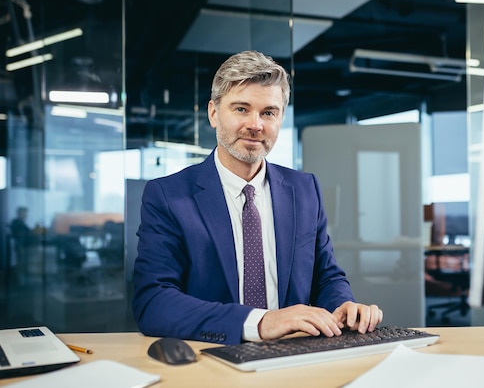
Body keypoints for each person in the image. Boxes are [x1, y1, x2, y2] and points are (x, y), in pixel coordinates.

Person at [132, 50, 383, 345]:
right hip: (213, 360)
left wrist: (343, 306)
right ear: (213, 113)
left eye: (268, 112)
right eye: (241, 109)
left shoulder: (305, 190)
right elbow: (153, 302)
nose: (256, 124)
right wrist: (261, 322)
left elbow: (326, 276)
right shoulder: (168, 196)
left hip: (296, 357)